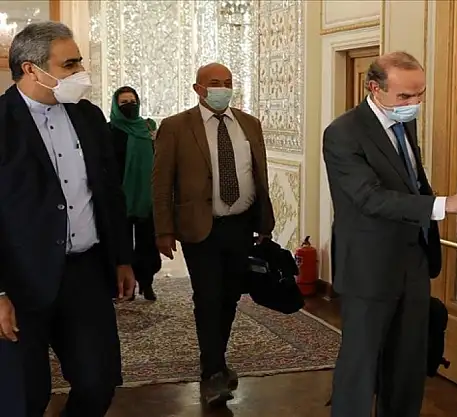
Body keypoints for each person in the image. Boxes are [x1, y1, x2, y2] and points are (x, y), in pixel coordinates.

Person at [322, 51, 457, 417]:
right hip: (369, 266)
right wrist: (442, 205)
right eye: (404, 96)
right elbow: (369, 198)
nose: (413, 104)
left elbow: (412, 183)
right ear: (374, 88)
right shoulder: (343, 133)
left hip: (413, 261)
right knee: (360, 368)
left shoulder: (406, 124)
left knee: (407, 366)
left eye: (420, 94)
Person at [0, 21, 136, 417]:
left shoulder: (88, 117)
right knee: (25, 397)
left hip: (84, 272)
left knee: (99, 381)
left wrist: (121, 258)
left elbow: (109, 192)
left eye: (79, 62)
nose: (81, 73)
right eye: (70, 64)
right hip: (19, 279)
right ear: (31, 69)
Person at [152, 62, 275, 407]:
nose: (223, 89)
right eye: (215, 83)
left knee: (230, 296)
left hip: (241, 225)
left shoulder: (249, 124)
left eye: (228, 82)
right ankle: (212, 373)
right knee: (207, 297)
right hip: (200, 226)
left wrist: (264, 223)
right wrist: (163, 229)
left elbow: (259, 175)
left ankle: (216, 360)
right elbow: (161, 184)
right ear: (198, 89)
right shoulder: (176, 127)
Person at [109, 86, 161, 301]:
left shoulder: (148, 127)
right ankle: (125, 286)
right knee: (121, 243)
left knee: (147, 243)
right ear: (116, 105)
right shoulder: (110, 130)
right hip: (120, 196)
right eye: (124, 102)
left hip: (146, 195)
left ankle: (146, 282)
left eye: (132, 101)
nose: (129, 105)